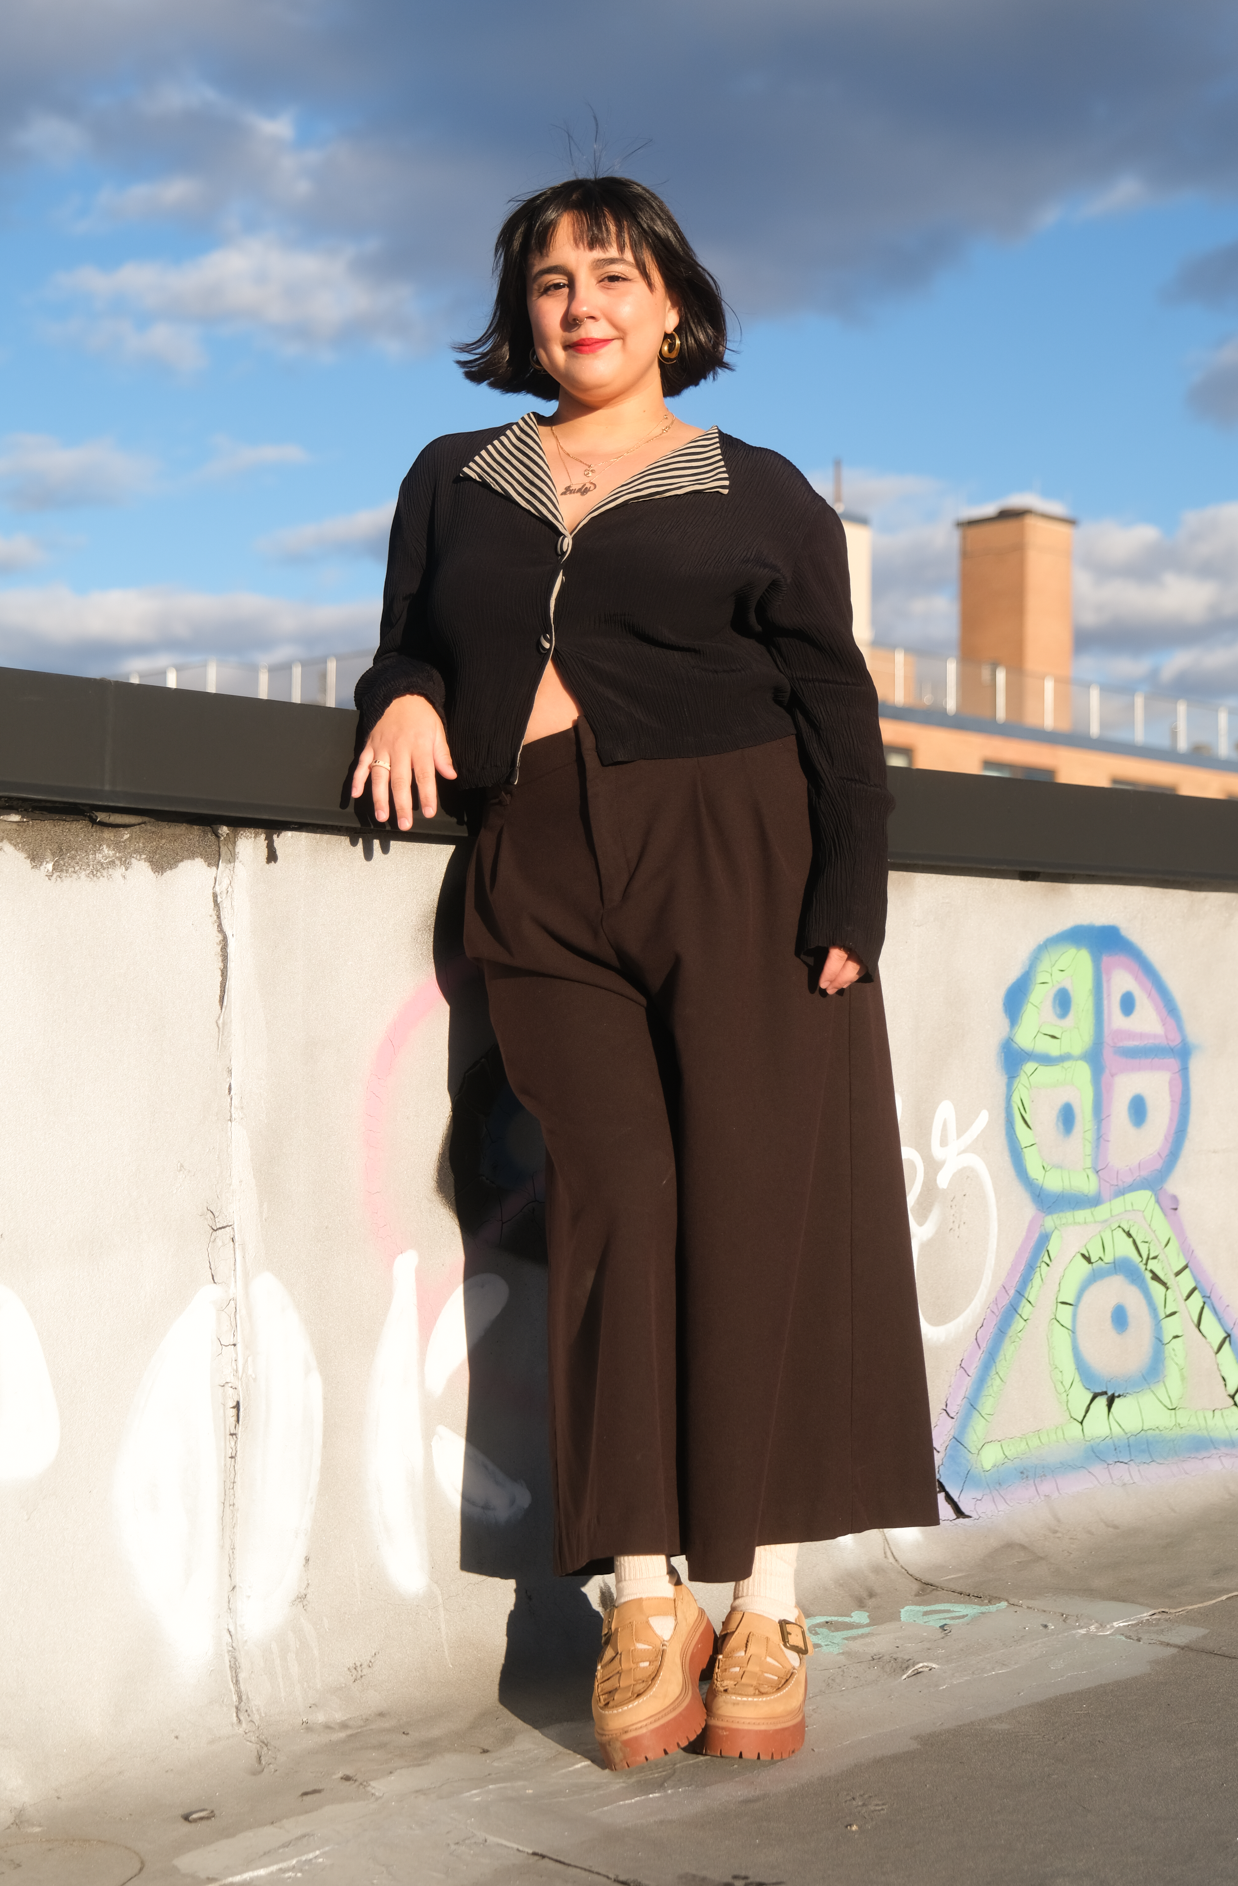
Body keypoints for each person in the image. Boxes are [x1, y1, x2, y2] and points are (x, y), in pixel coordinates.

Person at [352, 176, 938, 1769]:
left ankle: (765, 1595)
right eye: (547, 281)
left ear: (675, 301)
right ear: (519, 315)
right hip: (538, 872)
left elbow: (837, 710)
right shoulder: (457, 477)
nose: (579, 302)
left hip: (741, 863)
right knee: (617, 1201)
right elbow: (412, 636)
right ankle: (643, 1594)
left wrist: (847, 898)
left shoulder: (758, 496)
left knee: (758, 1206)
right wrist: (403, 698)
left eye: (613, 274)